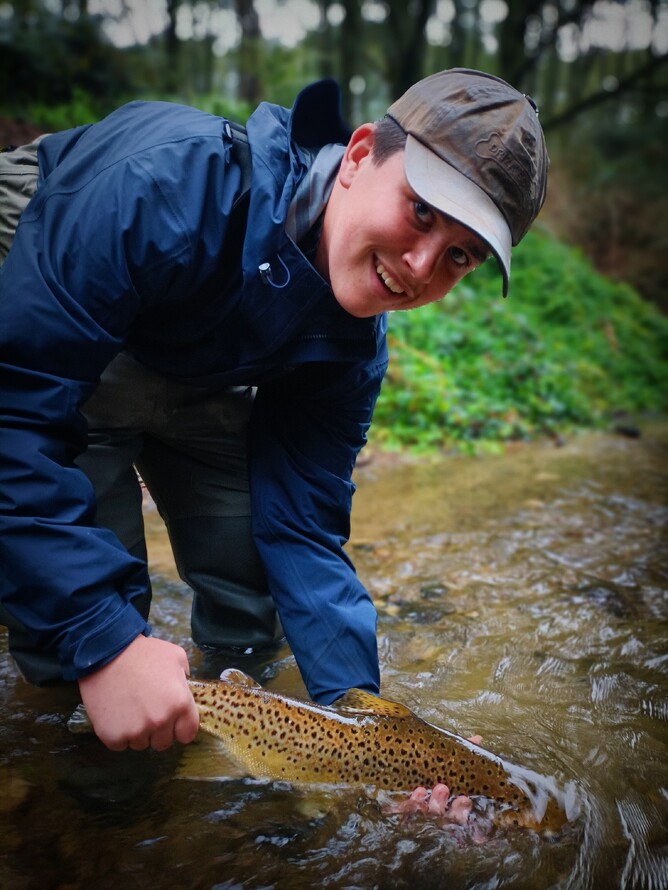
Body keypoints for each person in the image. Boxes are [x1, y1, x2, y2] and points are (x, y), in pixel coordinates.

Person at [0, 68, 548, 754]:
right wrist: (102, 642)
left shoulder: (350, 350)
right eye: (421, 210)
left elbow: (301, 527)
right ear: (357, 157)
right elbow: (14, 412)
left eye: (459, 255)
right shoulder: (166, 188)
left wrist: (369, 727)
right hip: (41, 274)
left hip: (194, 336)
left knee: (250, 595)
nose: (419, 265)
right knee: (80, 627)